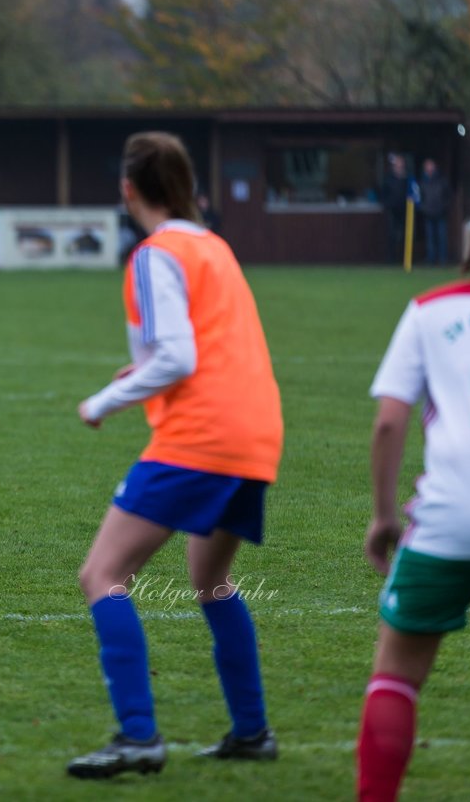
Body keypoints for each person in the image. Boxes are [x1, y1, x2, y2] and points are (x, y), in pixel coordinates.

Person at [66, 132, 285, 780]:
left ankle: (138, 737)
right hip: (256, 430)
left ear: (129, 190)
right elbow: (201, 345)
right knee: (210, 579)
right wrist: (141, 373)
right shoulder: (214, 246)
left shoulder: (155, 253)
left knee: (101, 575)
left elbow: (180, 356)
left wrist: (107, 398)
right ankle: (252, 732)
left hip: (203, 435)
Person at [357, 182, 470, 801]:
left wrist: (383, 517)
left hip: (453, 517)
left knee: (396, 675)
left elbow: (391, 419)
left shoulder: (431, 308)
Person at [380, 154, 420, 264]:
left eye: (400, 163)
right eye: (397, 163)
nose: (399, 165)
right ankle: (391, 258)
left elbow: (414, 192)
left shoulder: (408, 178)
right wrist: (387, 204)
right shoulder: (389, 178)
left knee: (405, 235)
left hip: (405, 210)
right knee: (392, 235)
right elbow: (383, 193)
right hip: (393, 210)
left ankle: (405, 259)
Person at [417, 158, 452, 266]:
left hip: (440, 212)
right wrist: (423, 208)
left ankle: (443, 259)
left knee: (441, 237)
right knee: (430, 238)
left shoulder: (442, 180)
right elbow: (419, 198)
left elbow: (448, 196)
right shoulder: (422, 182)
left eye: (431, 165)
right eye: (427, 166)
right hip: (428, 213)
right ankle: (431, 259)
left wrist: (443, 207)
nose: (430, 168)